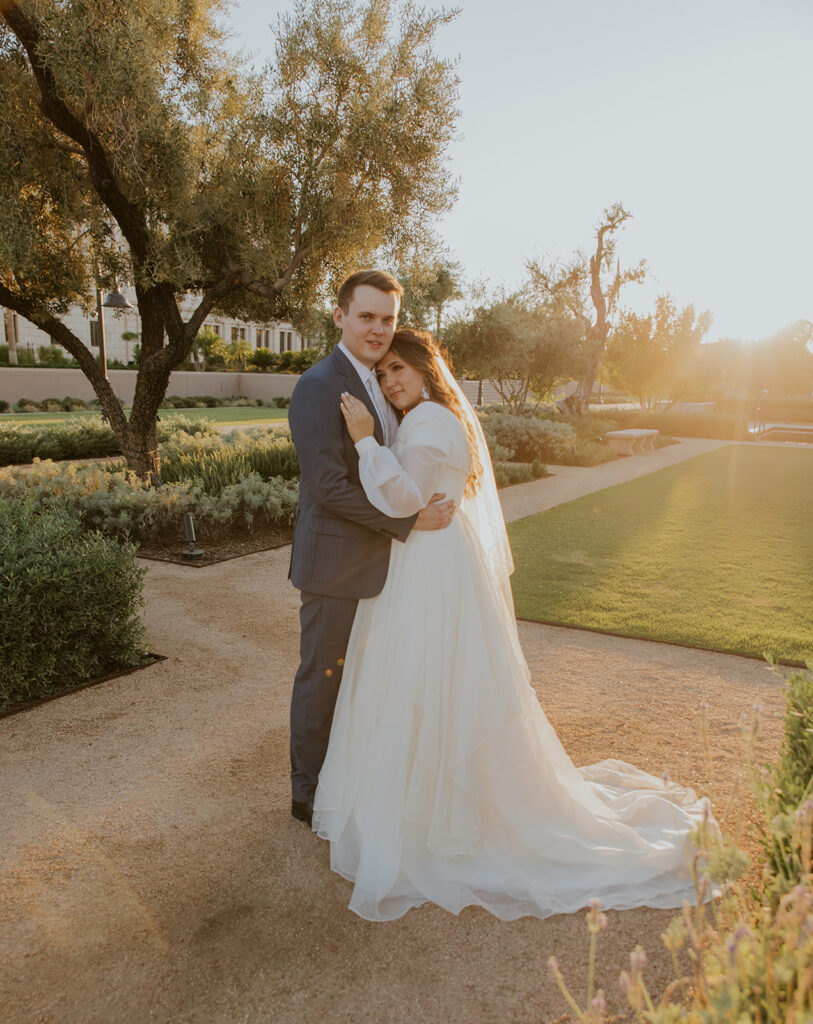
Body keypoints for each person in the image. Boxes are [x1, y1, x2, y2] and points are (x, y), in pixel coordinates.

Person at [312, 328, 716, 922]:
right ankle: (426, 806)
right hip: (432, 562)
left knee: (424, 676)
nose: (391, 381)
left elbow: (403, 497)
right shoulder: (430, 418)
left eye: (399, 369)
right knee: (429, 679)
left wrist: (368, 444)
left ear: (425, 369)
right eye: (383, 374)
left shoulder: (425, 422)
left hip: (431, 571)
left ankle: (437, 820)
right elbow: (415, 503)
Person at [288, 271, 454, 828]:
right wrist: (407, 521)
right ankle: (307, 792)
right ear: (340, 317)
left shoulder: (386, 387)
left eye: (387, 318)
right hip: (335, 563)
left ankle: (352, 782)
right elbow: (327, 486)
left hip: (381, 569)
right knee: (323, 676)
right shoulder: (318, 384)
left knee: (366, 679)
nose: (379, 329)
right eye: (367, 316)